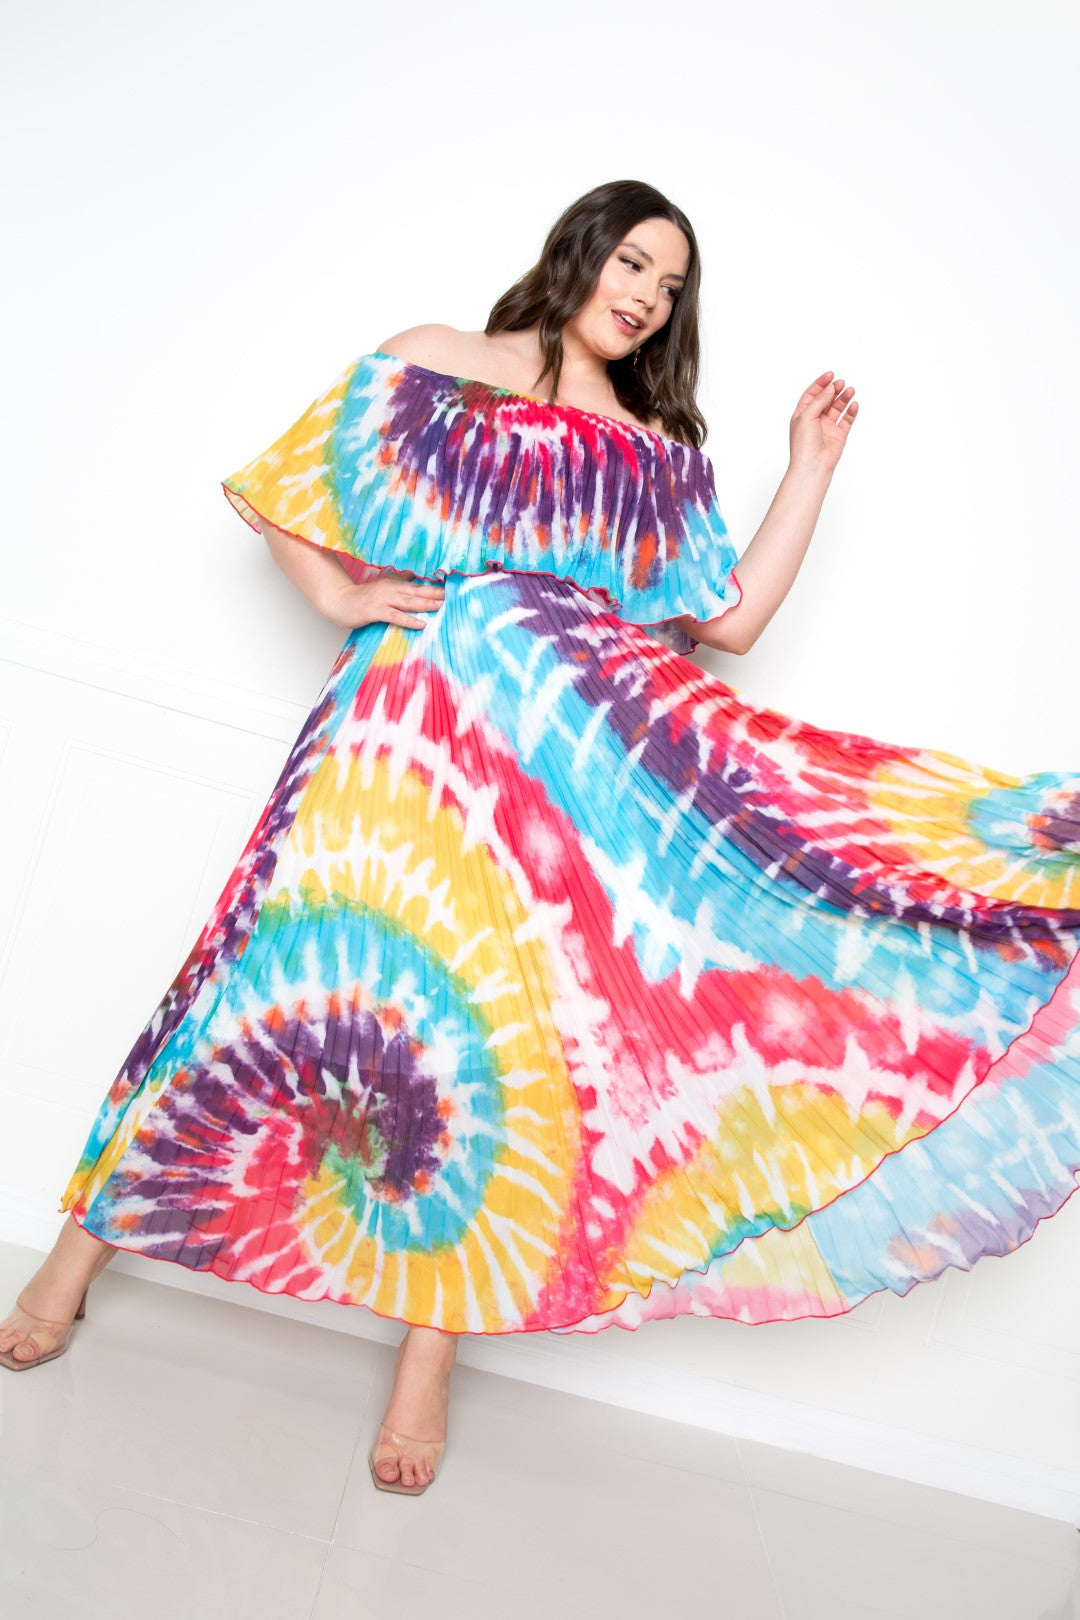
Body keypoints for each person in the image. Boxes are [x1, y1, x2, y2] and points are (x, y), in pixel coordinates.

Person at [3, 181, 1078, 1502]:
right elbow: (290, 484)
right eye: (633, 263)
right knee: (253, 984)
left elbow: (730, 624)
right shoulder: (438, 359)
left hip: (545, 780)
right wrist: (340, 592)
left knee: (491, 1054)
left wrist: (808, 466)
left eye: (670, 287)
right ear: (581, 250)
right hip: (391, 739)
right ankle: (73, 1262)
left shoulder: (649, 447)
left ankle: (426, 1364)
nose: (647, 297)